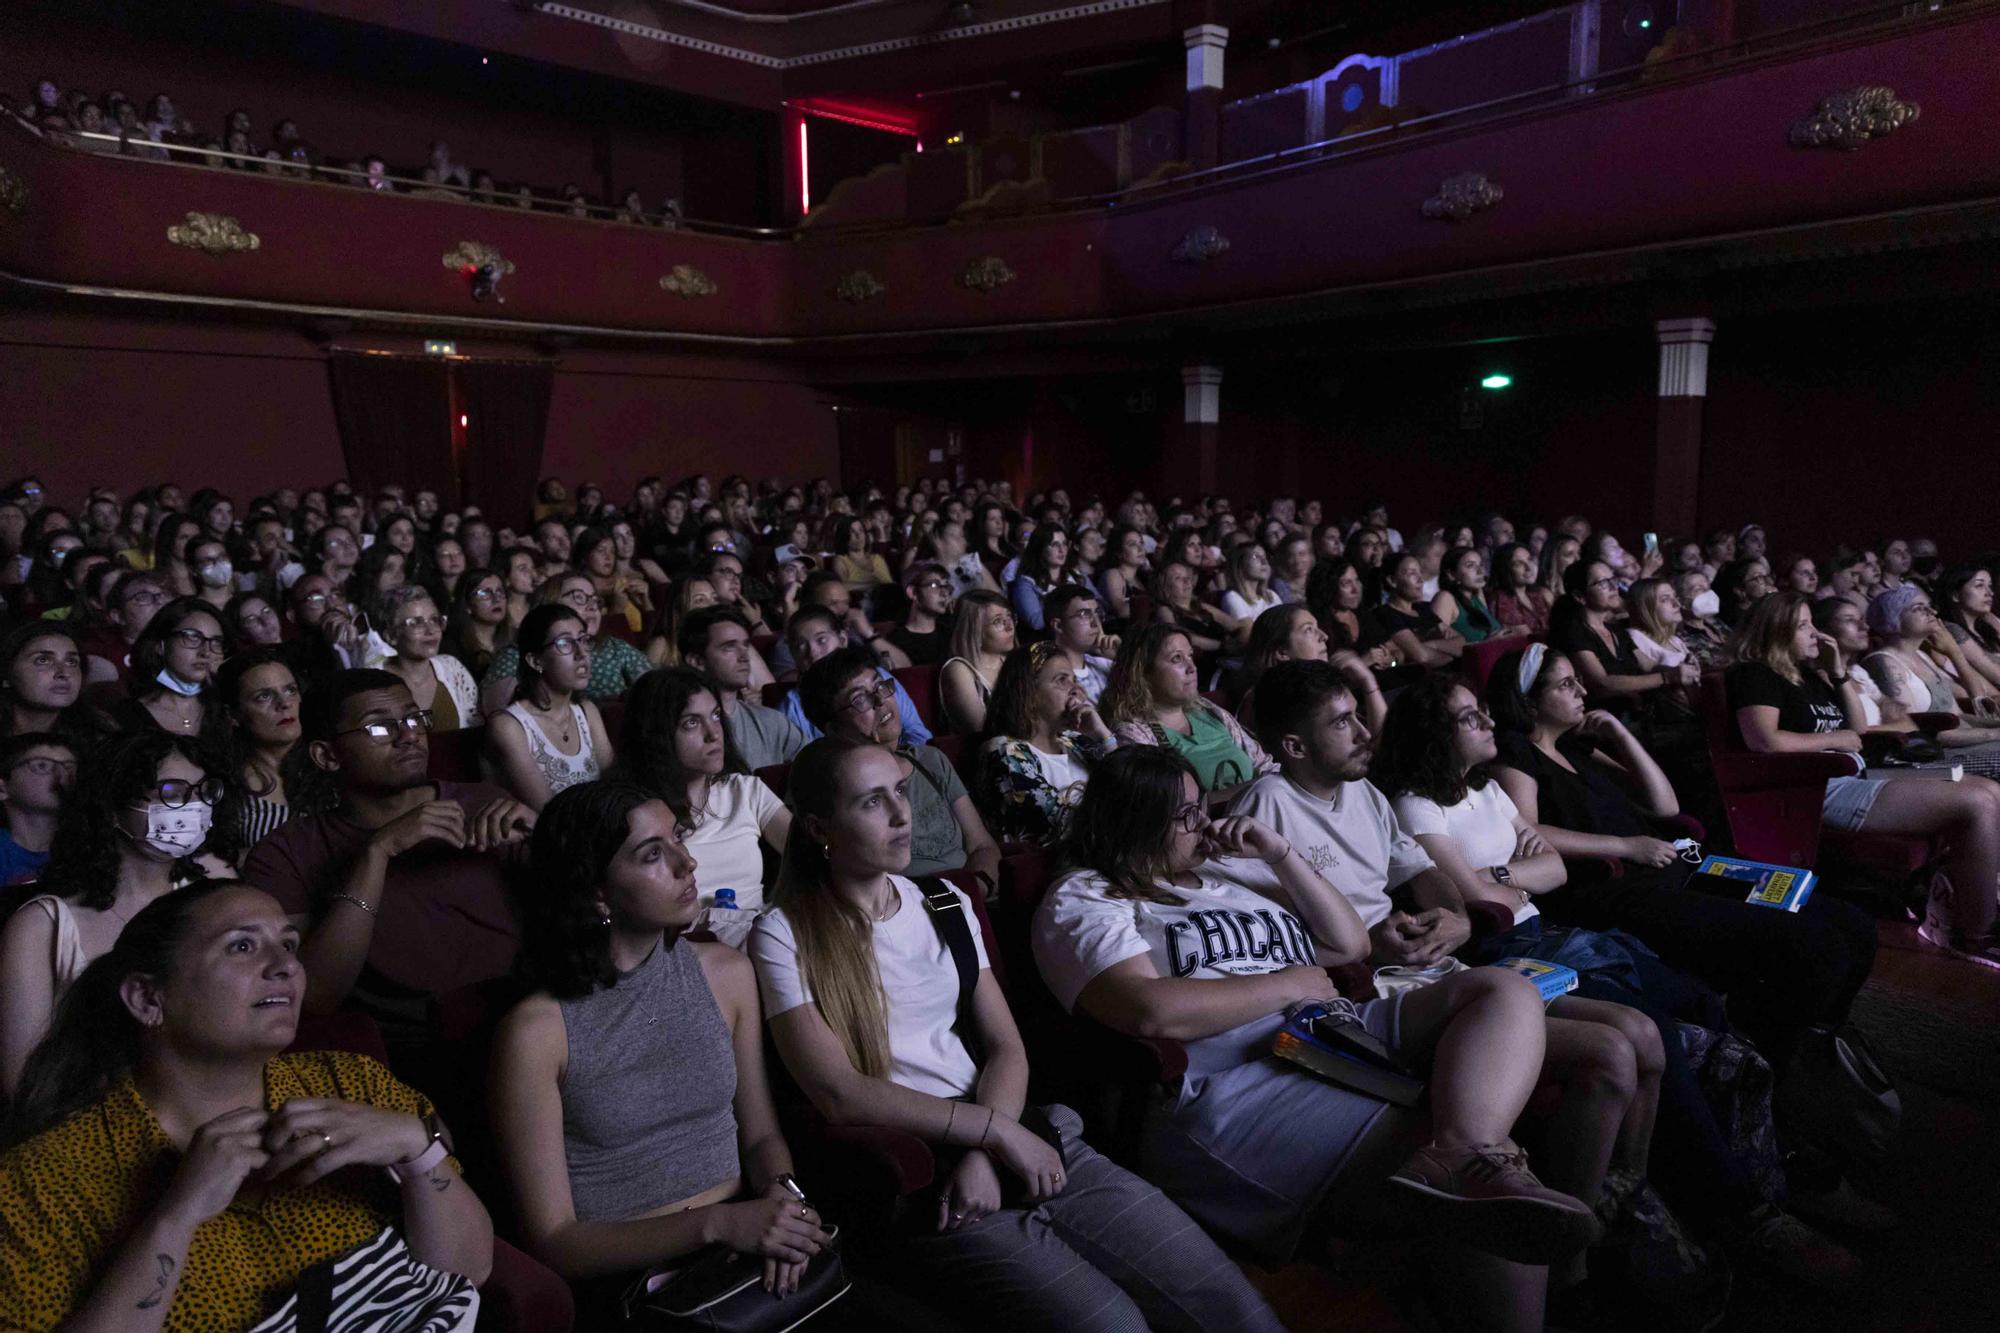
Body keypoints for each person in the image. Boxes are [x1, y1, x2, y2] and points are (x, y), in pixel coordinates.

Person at [1033, 745, 1601, 1323]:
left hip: (1330, 1028)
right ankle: (1470, 1168)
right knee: (1491, 1205)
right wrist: (1284, 986)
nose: (1203, 823)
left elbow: (1348, 944)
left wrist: (1280, 854)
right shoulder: (1086, 896)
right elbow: (1146, 1011)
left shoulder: (1221, 870)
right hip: (1242, 1077)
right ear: (1134, 819)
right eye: (1185, 814)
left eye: (1202, 806)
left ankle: (1463, 1147)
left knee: (1505, 990)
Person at [751, 740, 1284, 1330]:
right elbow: (840, 1092)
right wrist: (992, 1138)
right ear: (820, 826)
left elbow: (1006, 1046)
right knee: (1113, 1325)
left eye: (901, 792)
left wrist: (993, 1144)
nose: (903, 815)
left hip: (1017, 1129)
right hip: (924, 1175)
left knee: (1221, 1295)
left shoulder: (944, 900)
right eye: (872, 803)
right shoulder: (783, 932)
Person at [1366, 669, 1853, 1279]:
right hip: (1503, 949)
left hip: (1546, 929)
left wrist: (1505, 875)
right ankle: (1730, 1208)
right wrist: (1513, 876)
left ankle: (1765, 1158)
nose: (1488, 721)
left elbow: (1554, 870)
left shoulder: (1485, 789)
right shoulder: (1415, 804)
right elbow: (1472, 901)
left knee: (1701, 1002)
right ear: (1434, 736)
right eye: (1469, 717)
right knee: (1651, 1029)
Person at [0, 880, 494, 1331]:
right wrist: (176, 1215)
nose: (286, 966)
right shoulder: (44, 1180)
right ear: (148, 998)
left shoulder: (350, 1081)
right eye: (242, 945)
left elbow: (467, 1271)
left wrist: (416, 1147)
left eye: (289, 945)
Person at [489, 781, 825, 1322]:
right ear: (597, 893)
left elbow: (760, 1134)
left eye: (677, 840)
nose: (686, 863)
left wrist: (783, 1198)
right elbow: (554, 1242)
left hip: (747, 1238)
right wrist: (717, 1224)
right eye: (652, 854)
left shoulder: (726, 974)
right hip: (633, 1280)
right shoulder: (536, 1032)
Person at [1484, 641, 1879, 1062]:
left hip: (1677, 869)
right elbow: (1529, 829)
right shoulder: (1515, 753)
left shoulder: (1576, 746)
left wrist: (1620, 735)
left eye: (1579, 681)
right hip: (1617, 891)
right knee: (1816, 945)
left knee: (1854, 926)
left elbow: (1664, 805)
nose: (1582, 691)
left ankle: (1808, 1037)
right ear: (1528, 702)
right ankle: (1763, 1058)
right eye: (1566, 684)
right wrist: (1625, 846)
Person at [241, 670, 536, 1051]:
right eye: (379, 728)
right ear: (326, 755)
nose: (409, 735)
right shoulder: (285, 854)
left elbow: (580, 924)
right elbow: (314, 998)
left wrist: (546, 841)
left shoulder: (485, 805)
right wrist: (377, 852)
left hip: (532, 1016)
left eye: (415, 719)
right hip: (418, 1047)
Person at [1728, 594, 2000, 966]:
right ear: (1776, 631)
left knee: (1990, 790)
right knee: (1977, 802)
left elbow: (1857, 729)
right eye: (1804, 625)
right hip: (1812, 790)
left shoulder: (1807, 675)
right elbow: (1764, 740)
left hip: (1853, 775)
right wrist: (1833, 740)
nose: (1816, 633)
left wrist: (1837, 673)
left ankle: (1968, 909)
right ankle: (1976, 936)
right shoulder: (1756, 674)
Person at [0, 731, 218, 1097]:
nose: (194, 806)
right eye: (171, 792)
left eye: (203, 791)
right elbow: (22, 1083)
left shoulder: (212, 902)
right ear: (113, 805)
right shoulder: (39, 926)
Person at [617, 668, 789, 943]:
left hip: (762, 938)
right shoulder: (638, 814)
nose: (713, 734)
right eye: (691, 723)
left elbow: (809, 855)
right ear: (657, 735)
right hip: (688, 949)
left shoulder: (744, 790)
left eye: (716, 716)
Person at [799, 650, 997, 887]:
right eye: (860, 699)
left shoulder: (930, 760)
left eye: (880, 686)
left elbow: (982, 845)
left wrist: (976, 890)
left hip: (970, 900)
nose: (881, 701)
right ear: (833, 728)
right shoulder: (837, 785)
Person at [1104, 625, 1274, 799]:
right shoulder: (1134, 731)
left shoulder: (1207, 709)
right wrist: (1257, 789)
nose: (1192, 667)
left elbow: (1264, 765)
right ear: (1143, 673)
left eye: (1190, 655)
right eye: (1176, 658)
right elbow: (1167, 804)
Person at [976, 642, 1116, 846]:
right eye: (1062, 680)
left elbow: (1132, 787)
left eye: (1075, 680)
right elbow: (1061, 825)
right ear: (1028, 693)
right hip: (1062, 865)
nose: (1076, 689)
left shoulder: (1075, 741)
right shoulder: (1004, 751)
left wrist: (1104, 734)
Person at [486, 605, 614, 812]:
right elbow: (548, 812)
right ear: (535, 661)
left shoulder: (587, 711)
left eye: (583, 639)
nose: (581, 653)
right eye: (564, 643)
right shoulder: (508, 726)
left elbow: (614, 786)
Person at [478, 574, 651, 716]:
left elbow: (658, 689)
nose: (592, 606)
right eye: (579, 598)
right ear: (550, 604)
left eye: (595, 600)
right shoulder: (517, 654)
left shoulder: (614, 647)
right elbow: (498, 714)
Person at [678, 606, 807, 770]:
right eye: (729, 647)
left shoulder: (772, 722)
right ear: (697, 661)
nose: (744, 656)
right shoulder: (681, 729)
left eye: (745, 645)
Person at [780, 607, 931, 746]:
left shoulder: (876, 677)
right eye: (801, 646)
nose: (812, 653)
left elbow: (916, 733)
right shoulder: (792, 705)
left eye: (822, 640)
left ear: (843, 639)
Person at [1234, 603, 1386, 739]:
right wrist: (1368, 682)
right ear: (1282, 652)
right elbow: (1377, 744)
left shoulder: (1308, 687)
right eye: (1308, 630)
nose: (1324, 636)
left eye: (1318, 627)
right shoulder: (1267, 700)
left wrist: (1368, 681)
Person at [206, 647, 301, 857]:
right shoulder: (226, 785)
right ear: (234, 715)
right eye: (264, 696)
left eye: (290, 690)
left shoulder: (335, 763)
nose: (285, 703)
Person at [113, 598, 226, 738]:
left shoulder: (229, 708)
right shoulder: (127, 715)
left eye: (216, 642)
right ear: (160, 645)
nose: (206, 652)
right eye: (192, 637)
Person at [379, 586, 481, 732]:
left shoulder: (452, 669)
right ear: (391, 635)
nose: (431, 630)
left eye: (434, 620)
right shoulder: (374, 680)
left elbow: (475, 729)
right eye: (416, 622)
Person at [0, 625, 106, 743]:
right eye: (43, 660)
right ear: (6, 674)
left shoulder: (100, 735)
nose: (63, 673)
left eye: (71, 662)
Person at [1371, 552, 1467, 669]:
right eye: (1412, 573)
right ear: (1392, 581)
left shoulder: (1423, 608)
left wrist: (1429, 645)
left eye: (1420, 572)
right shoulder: (1386, 613)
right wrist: (1448, 652)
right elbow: (1422, 657)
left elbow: (1462, 643)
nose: (1421, 580)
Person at [0, 732, 71, 886]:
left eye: (69, 767)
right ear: (2, 788)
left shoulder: (87, 850)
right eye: (41, 765)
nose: (62, 776)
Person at [939, 591, 1014, 735]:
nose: (1010, 627)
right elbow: (980, 729)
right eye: (997, 621)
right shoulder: (958, 670)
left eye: (1009, 616)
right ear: (974, 632)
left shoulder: (1012, 662)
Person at [1041, 583, 1118, 703]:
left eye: (1097, 614)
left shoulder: (1105, 663)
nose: (1096, 624)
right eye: (1084, 614)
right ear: (1058, 625)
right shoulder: (1052, 679)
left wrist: (1121, 657)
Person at [1433, 546, 1524, 644]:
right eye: (1470, 565)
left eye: (1481, 565)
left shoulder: (1476, 596)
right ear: (1451, 574)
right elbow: (1438, 645)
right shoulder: (1445, 598)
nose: (1480, 571)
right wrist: (1487, 643)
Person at [441, 568, 510, 679]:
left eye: (499, 591)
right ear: (467, 605)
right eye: (484, 593)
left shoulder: (516, 639)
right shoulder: (451, 648)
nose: (496, 599)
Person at [889, 562, 955, 666]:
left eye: (946, 586)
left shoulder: (951, 634)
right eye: (934, 585)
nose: (944, 593)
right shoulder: (896, 641)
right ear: (913, 592)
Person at [1217, 543, 1282, 644]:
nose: (1264, 562)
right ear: (1240, 563)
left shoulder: (1272, 595)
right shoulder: (1233, 597)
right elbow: (1249, 637)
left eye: (1265, 557)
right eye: (1256, 556)